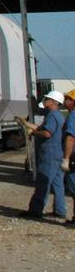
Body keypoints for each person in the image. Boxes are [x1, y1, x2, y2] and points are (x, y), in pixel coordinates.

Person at [24, 90, 67, 219]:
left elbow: (47, 133)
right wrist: (31, 98)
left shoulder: (52, 116)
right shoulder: (56, 114)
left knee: (43, 182)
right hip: (57, 153)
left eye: (47, 99)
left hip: (49, 154)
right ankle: (60, 211)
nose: (45, 100)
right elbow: (37, 110)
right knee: (57, 184)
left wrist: (32, 133)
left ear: (54, 102)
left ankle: (35, 211)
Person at [62, 90, 75, 223]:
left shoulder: (72, 116)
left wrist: (66, 158)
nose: (65, 101)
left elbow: (71, 138)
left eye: (68, 99)